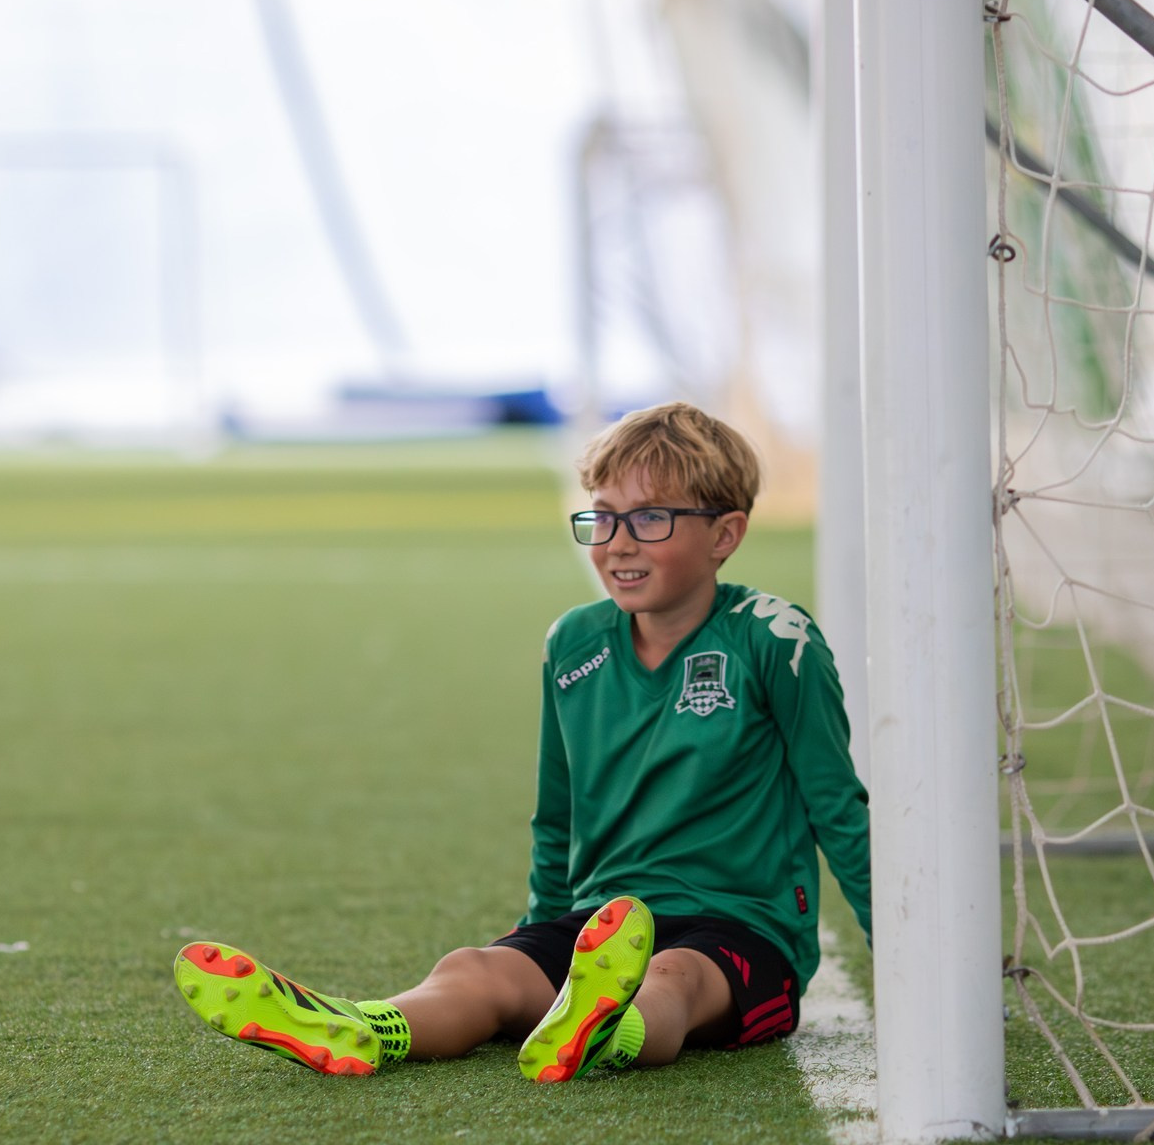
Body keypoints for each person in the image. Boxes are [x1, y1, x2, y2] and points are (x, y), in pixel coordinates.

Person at [171, 401, 872, 1081]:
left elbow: (838, 807)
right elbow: (558, 815)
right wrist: (536, 938)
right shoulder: (573, 643)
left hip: (740, 931)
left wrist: (910, 960)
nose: (618, 542)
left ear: (725, 535)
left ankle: (609, 1028)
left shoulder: (774, 637)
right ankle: (362, 1026)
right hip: (600, 924)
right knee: (476, 970)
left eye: (650, 518)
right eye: (602, 517)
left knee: (672, 977)